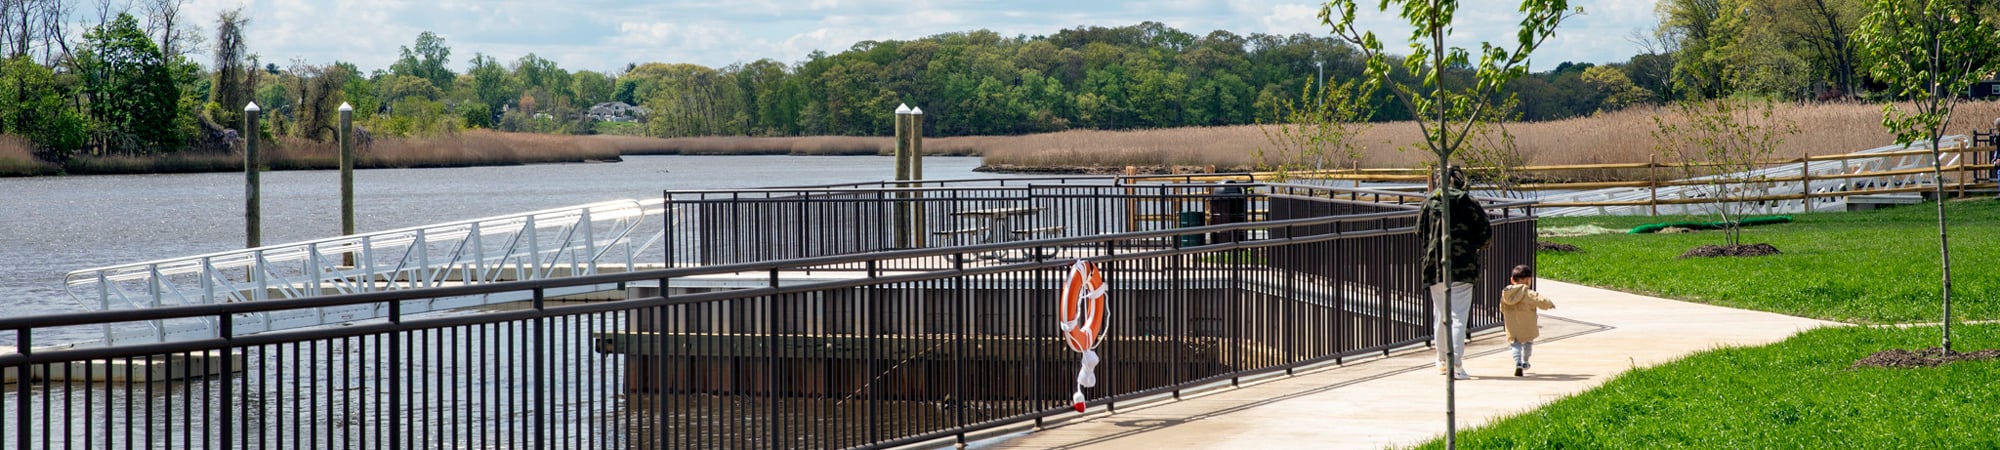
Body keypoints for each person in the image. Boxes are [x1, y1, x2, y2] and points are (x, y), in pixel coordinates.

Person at [1418, 166, 1490, 380]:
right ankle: (1455, 364)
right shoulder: (1469, 203)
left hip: (1435, 265)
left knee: (1441, 314)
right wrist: (1472, 247)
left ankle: (1442, 360)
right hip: (1463, 265)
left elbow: (1421, 232)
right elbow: (1485, 233)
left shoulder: (1429, 202)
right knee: (1458, 315)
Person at [1501, 264, 1556, 377]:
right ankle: (1525, 361)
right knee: (1528, 343)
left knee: (1515, 345)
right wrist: (1550, 304)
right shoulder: (1529, 293)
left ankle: (1518, 363)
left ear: (1512, 280)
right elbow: (1541, 300)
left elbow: (1502, 307)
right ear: (1528, 281)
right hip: (1528, 325)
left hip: (1512, 326)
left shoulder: (1506, 294)